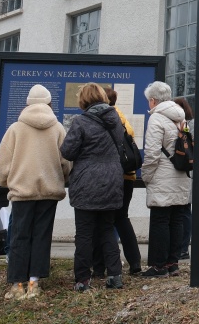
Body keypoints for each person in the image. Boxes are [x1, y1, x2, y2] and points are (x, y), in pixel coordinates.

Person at [0, 84, 71, 300]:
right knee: (42, 236)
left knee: (20, 236)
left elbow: (2, 165)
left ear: (27, 103)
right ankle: (34, 283)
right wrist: (61, 179)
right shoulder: (57, 129)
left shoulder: (15, 129)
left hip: (22, 191)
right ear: (49, 103)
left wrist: (7, 181)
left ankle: (17, 285)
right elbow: (66, 163)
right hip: (49, 191)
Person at [60, 82, 126, 290]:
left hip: (87, 182)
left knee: (85, 233)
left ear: (83, 100)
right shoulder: (116, 120)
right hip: (112, 180)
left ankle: (82, 279)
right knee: (107, 230)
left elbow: (67, 152)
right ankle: (115, 276)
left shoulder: (81, 122)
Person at [140, 81, 189, 278]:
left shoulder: (156, 119)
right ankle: (172, 264)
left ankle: (158, 266)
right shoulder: (181, 118)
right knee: (177, 219)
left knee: (160, 220)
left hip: (162, 175)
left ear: (153, 100)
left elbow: (152, 153)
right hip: (180, 174)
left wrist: (147, 176)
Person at [93, 87, 143, 276]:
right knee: (122, 218)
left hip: (110, 176)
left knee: (103, 221)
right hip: (127, 176)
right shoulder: (122, 117)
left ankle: (103, 264)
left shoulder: (106, 119)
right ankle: (135, 261)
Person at [173, 96, 194, 261]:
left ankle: (182, 248)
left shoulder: (184, 126)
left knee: (184, 211)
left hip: (183, 171)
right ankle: (183, 248)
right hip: (189, 172)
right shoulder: (190, 124)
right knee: (185, 210)